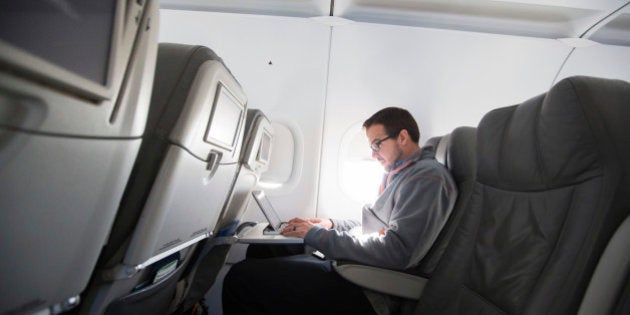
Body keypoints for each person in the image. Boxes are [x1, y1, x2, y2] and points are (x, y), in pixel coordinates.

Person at [222, 107, 457, 315]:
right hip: (361, 268)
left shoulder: (427, 179)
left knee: (240, 279)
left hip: (373, 288)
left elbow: (397, 251)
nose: (373, 154)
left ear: (402, 137)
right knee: (266, 250)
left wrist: (317, 236)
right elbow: (374, 229)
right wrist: (331, 225)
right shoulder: (400, 175)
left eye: (377, 144)